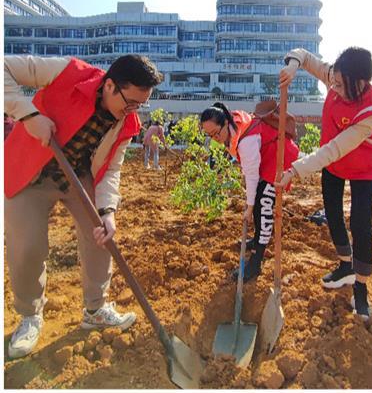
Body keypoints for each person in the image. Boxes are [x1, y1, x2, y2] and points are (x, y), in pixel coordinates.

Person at [4, 53, 163, 358]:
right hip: (29, 171)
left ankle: (95, 309)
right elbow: (4, 67)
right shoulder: (69, 72)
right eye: (130, 102)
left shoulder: (127, 123)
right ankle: (30, 315)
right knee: (28, 247)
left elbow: (111, 170)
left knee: (101, 234)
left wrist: (108, 212)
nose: (132, 111)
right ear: (110, 86)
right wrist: (29, 116)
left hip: (76, 174)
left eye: (140, 105)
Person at [277, 46, 372, 322]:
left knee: (360, 225)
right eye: (332, 82)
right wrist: (293, 65)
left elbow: (335, 149)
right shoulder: (336, 77)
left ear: (359, 83)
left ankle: (360, 288)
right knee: (333, 215)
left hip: (362, 168)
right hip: (333, 167)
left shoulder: (370, 112)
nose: (333, 88)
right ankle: (345, 266)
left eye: (339, 85)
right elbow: (304, 55)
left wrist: (295, 170)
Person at [199, 100, 298, 282]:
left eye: (216, 133)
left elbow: (251, 175)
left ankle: (256, 262)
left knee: (263, 206)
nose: (215, 138)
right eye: (209, 135)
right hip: (265, 158)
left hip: (278, 159)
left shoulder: (246, 140)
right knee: (257, 201)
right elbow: (248, 170)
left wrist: (249, 207)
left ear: (225, 122)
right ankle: (257, 238)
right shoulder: (232, 128)